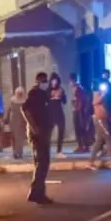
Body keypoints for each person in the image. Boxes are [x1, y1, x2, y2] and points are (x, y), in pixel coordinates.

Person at [22, 72, 54, 205]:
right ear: (38, 81)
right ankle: (36, 193)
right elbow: (25, 109)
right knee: (42, 162)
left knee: (43, 163)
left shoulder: (43, 94)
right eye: (44, 81)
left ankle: (39, 192)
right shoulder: (35, 93)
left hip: (43, 132)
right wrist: (35, 128)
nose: (46, 83)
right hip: (38, 134)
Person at [88, 87, 111, 169]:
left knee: (99, 141)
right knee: (108, 139)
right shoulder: (96, 94)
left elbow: (106, 107)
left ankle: (91, 162)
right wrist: (102, 95)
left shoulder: (102, 94)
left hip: (103, 119)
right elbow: (94, 102)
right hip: (100, 119)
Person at [69, 73, 90, 153]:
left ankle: (82, 146)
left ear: (73, 81)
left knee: (80, 129)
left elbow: (81, 101)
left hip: (79, 112)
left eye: (70, 81)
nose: (70, 83)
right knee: (80, 129)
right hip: (78, 110)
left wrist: (77, 108)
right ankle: (83, 146)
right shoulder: (76, 88)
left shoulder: (79, 89)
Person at [48, 72, 67, 158]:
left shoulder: (61, 89)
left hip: (59, 112)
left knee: (61, 130)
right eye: (52, 81)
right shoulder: (48, 90)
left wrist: (61, 96)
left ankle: (59, 151)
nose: (54, 83)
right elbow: (45, 101)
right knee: (48, 133)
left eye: (55, 81)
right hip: (50, 113)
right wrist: (51, 98)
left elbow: (65, 101)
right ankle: (46, 151)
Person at [7, 87, 27, 159]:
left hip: (21, 121)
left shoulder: (25, 101)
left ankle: (19, 152)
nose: (20, 95)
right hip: (13, 120)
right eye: (19, 93)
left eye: (21, 93)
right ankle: (15, 152)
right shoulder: (12, 100)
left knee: (20, 138)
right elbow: (9, 110)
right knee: (14, 137)